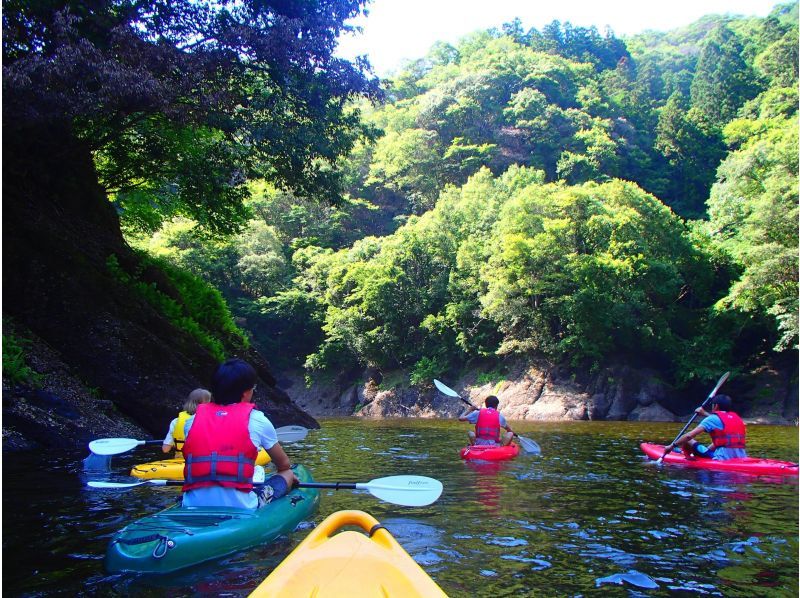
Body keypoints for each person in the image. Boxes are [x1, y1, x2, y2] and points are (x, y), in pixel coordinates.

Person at [181, 358, 299, 509]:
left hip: (192, 504)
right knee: (287, 474)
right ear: (245, 393)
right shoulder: (258, 420)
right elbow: (284, 464)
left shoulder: (191, 422)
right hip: (242, 507)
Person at [664, 394, 747, 460]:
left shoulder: (712, 419)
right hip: (740, 457)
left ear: (716, 406)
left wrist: (671, 446)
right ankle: (699, 454)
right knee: (719, 441)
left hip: (722, 458)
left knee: (688, 440)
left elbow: (689, 436)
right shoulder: (737, 419)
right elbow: (720, 426)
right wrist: (705, 414)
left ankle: (689, 458)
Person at [162, 388, 211, 457]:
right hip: (203, 461)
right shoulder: (210, 421)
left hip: (181, 462)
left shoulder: (175, 421)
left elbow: (165, 449)